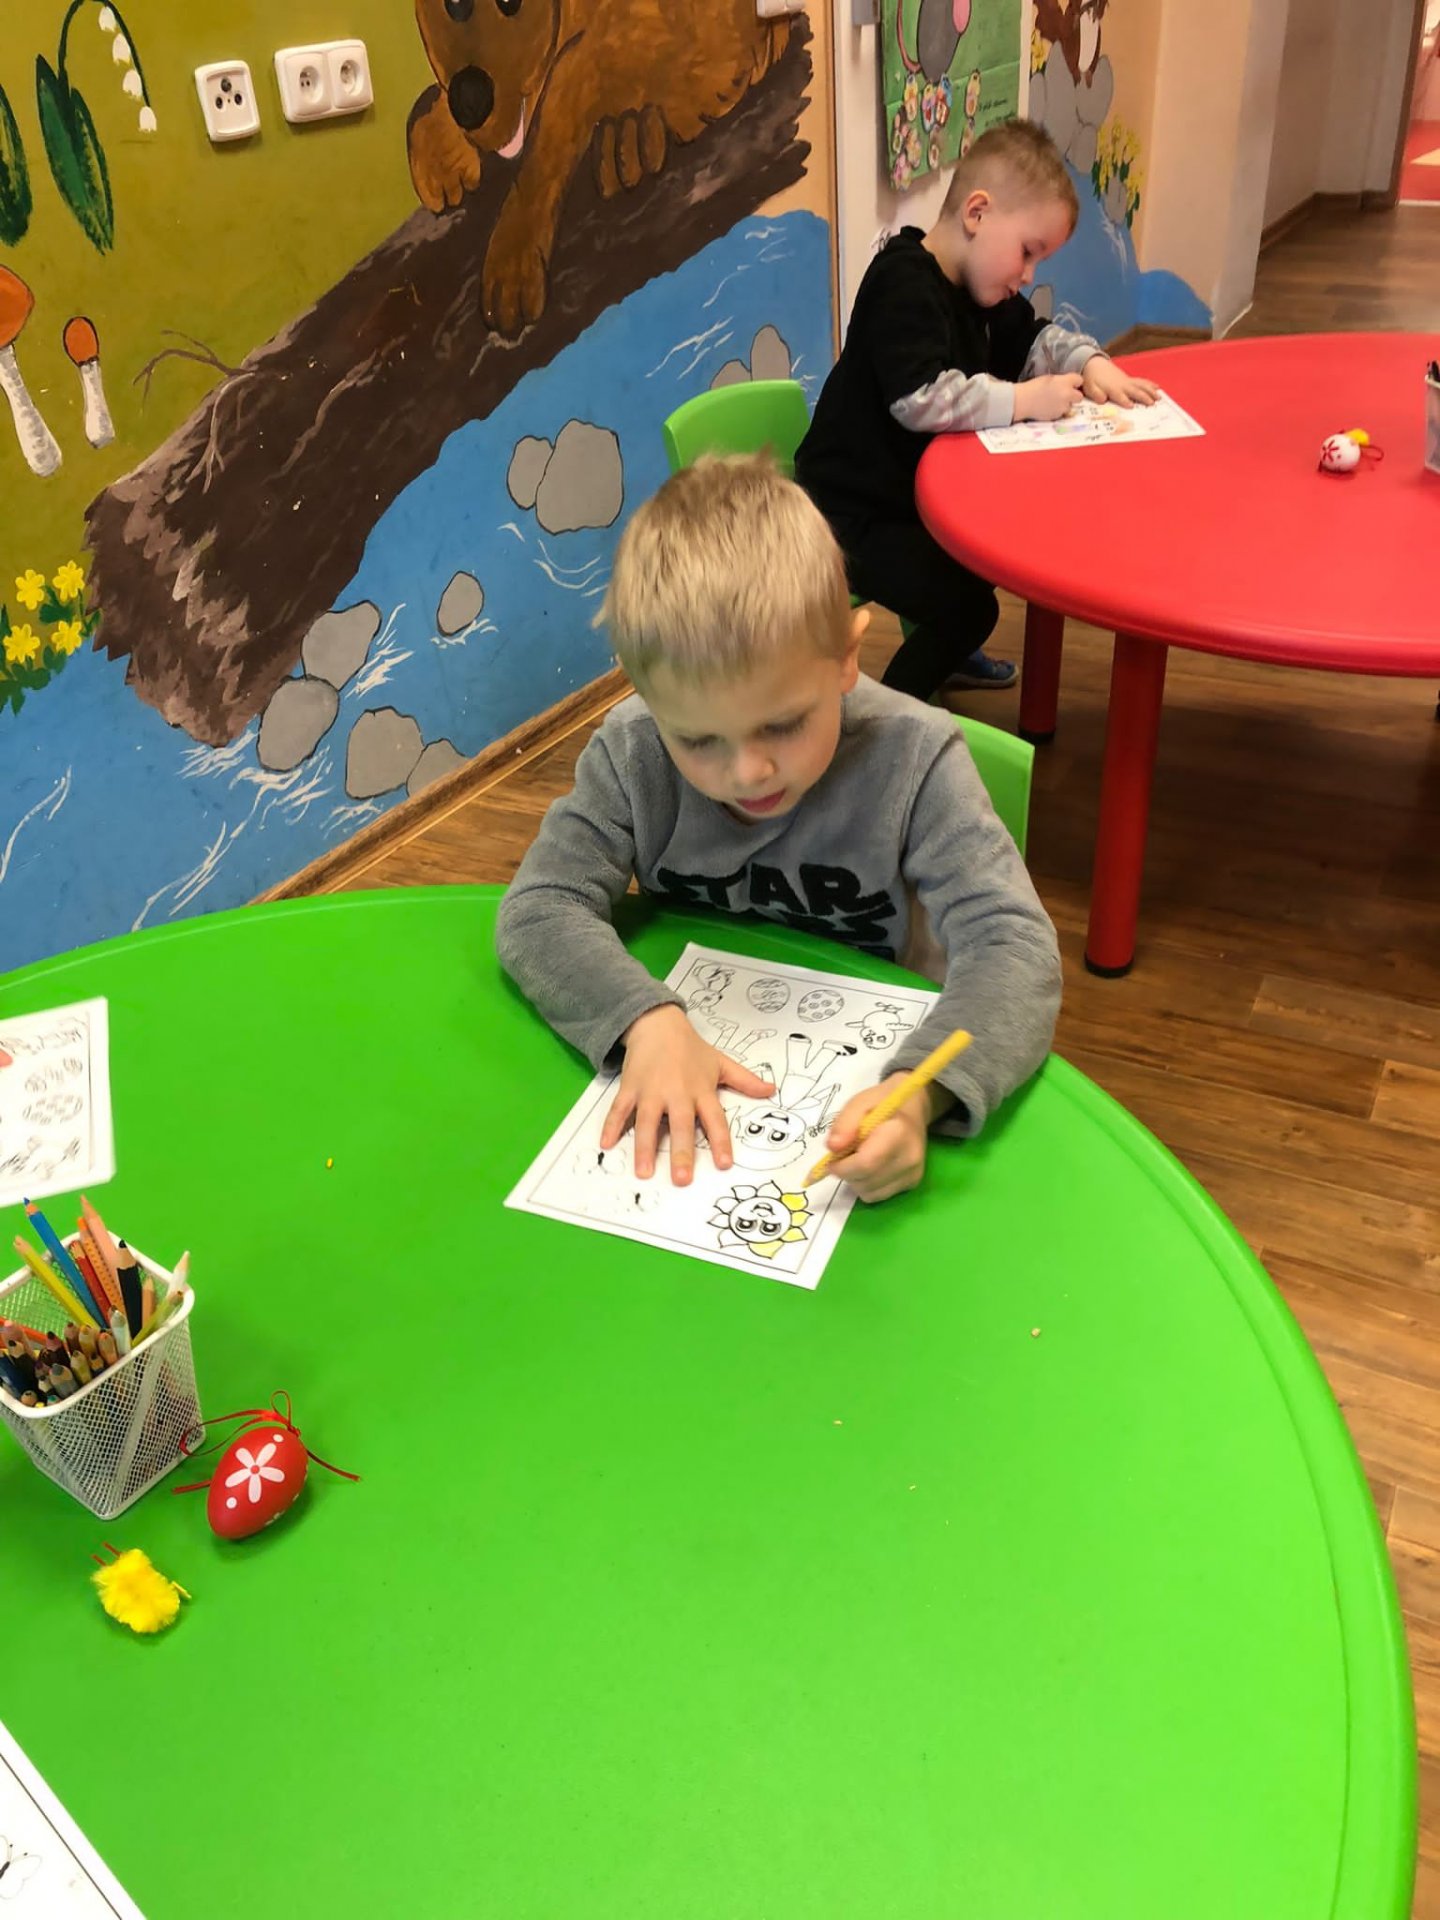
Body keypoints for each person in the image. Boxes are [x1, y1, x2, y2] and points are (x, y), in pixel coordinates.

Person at [496, 454, 1061, 1204]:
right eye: (698, 739)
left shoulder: (916, 759)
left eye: (784, 724)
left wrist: (920, 1098)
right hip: (691, 1055)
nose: (749, 771)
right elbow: (541, 908)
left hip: (859, 1074)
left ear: (846, 657)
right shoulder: (633, 752)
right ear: (647, 694)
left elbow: (1014, 947)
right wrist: (647, 1022)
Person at [795, 117, 1157, 704]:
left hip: (902, 501)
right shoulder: (901, 282)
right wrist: (1022, 400)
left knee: (984, 555)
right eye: (1027, 252)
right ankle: (888, 719)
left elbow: (1034, 337)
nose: (1028, 276)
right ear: (977, 213)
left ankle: (948, 659)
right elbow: (919, 397)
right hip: (843, 516)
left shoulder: (982, 290)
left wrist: (1092, 363)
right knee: (970, 608)